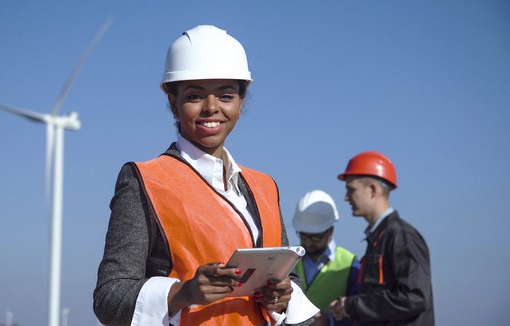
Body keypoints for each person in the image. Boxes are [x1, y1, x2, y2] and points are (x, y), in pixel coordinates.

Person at [93, 25, 323, 326]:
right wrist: (183, 293)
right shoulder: (144, 180)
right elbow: (109, 298)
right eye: (195, 96)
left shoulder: (264, 187)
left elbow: (287, 278)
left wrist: (281, 295)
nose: (211, 108)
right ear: (172, 101)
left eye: (226, 95)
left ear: (241, 101)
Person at [330, 151, 434, 325]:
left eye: (351, 189)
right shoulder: (381, 237)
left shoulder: (401, 236)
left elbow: (414, 298)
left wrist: (352, 305)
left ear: (372, 189)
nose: (346, 197)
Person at [292, 190, 360, 326]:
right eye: (304, 236)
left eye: (316, 237)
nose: (309, 243)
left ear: (330, 231)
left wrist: (329, 321)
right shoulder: (288, 259)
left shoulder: (351, 265)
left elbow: (360, 316)